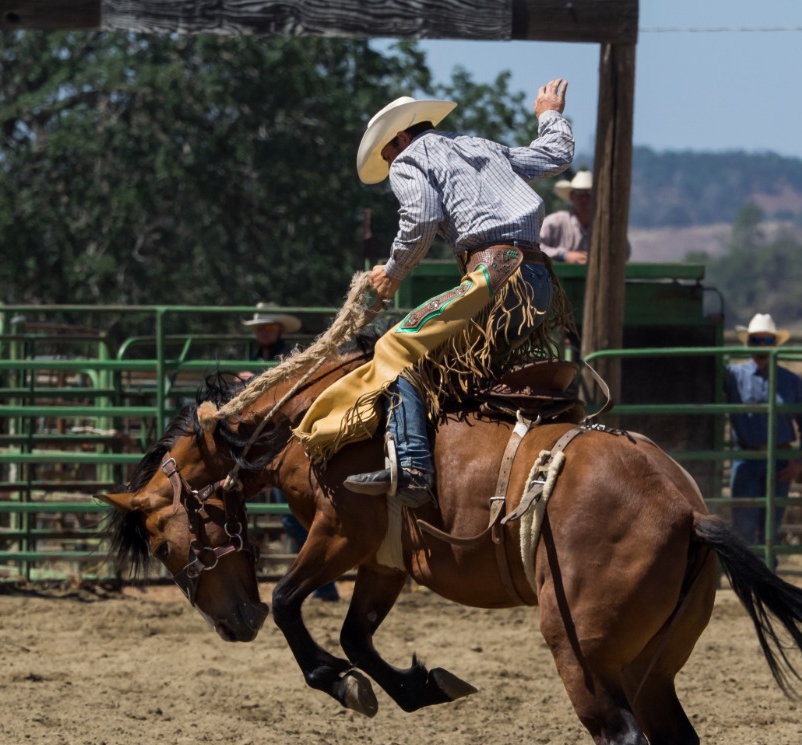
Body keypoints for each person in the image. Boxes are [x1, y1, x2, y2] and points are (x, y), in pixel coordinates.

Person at [294, 79, 575, 508]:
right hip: (536, 283)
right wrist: (548, 113)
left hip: (493, 281)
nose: (392, 166)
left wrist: (392, 273)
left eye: (388, 155)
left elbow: (422, 217)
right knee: (461, 369)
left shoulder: (409, 159)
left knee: (396, 349)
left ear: (401, 138)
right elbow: (556, 156)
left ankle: (412, 468)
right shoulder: (481, 145)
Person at [242, 303, 339, 601]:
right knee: (292, 519)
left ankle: (323, 584)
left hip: (285, 443)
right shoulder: (253, 357)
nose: (265, 332)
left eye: (269, 327)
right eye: (261, 328)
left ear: (279, 330)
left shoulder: (289, 357)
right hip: (265, 445)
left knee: (296, 517)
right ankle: (322, 585)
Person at [724, 312, 802, 553]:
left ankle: (768, 574)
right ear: (748, 343)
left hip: (779, 461)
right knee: (743, 527)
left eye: (767, 341)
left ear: (775, 344)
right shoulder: (733, 376)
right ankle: (749, 577)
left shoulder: (791, 382)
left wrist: (800, 461)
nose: (762, 347)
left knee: (771, 527)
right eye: (757, 341)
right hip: (747, 457)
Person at [540, 169, 593, 264]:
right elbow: (534, 246)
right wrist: (563, 255)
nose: (584, 199)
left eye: (589, 194)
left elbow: (625, 251)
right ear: (572, 196)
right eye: (579, 193)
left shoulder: (604, 226)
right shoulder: (555, 221)